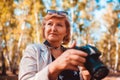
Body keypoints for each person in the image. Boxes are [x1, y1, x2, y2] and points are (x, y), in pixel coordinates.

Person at [19, 10, 91, 80]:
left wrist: (86, 76)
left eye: (59, 25)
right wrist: (56, 66)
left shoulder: (72, 54)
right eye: (50, 24)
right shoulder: (33, 50)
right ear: (44, 29)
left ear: (66, 32)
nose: (53, 29)